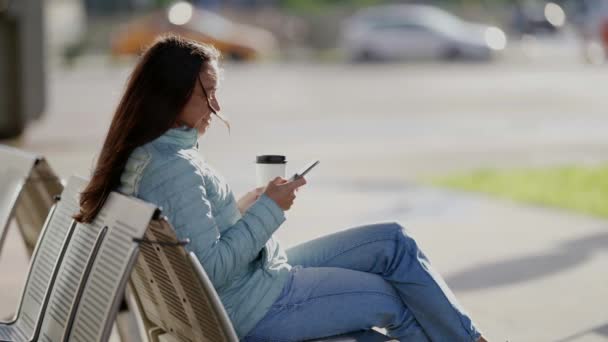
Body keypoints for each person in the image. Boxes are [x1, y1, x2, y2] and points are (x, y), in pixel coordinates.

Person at [75, 35, 487, 342]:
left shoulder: (148, 156)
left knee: (393, 242)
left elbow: (194, 243)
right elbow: (212, 270)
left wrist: (244, 207)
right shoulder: (170, 169)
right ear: (174, 93)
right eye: (210, 92)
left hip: (256, 282)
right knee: (391, 294)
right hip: (255, 302)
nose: (217, 107)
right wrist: (269, 210)